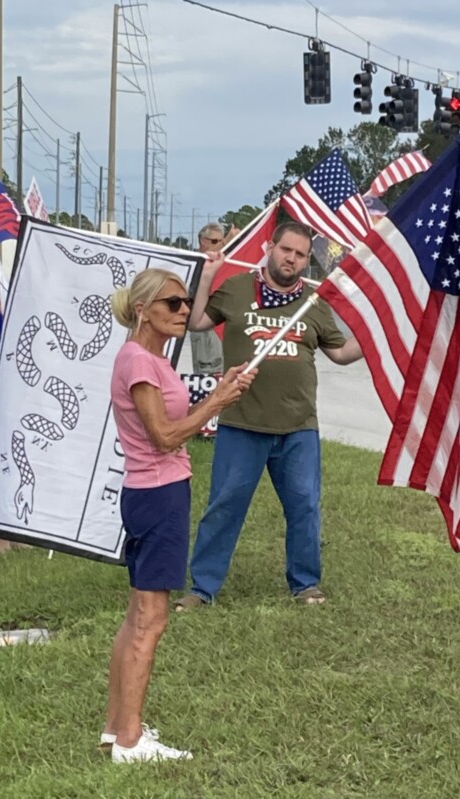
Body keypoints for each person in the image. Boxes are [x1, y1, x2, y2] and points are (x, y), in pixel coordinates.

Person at [103, 268, 256, 764]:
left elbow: (171, 421)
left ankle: (116, 728)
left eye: (187, 302)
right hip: (158, 494)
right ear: (143, 309)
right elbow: (164, 437)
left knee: (136, 618)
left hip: (156, 492)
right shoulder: (138, 362)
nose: (184, 311)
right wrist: (217, 402)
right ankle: (130, 743)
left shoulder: (148, 359)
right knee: (151, 621)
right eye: (173, 303)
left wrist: (221, 385)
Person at [175, 221, 363, 611]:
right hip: (242, 423)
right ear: (269, 246)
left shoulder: (314, 301)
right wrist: (208, 274)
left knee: (304, 506)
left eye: (300, 254)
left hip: (298, 427)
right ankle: (202, 588)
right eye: (286, 250)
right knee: (224, 506)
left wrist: (380, 336)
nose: (292, 259)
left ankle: (305, 583)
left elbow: (342, 353)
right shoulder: (238, 289)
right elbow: (196, 323)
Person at [189, 223, 226, 375]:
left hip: (220, 323)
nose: (220, 245)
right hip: (203, 326)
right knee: (208, 374)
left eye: (222, 241)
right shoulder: (195, 262)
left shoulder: (222, 261)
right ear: (202, 241)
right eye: (215, 242)